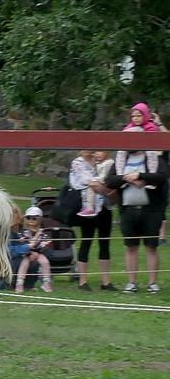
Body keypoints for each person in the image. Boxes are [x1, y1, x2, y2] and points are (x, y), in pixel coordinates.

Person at [103, 105, 164, 294]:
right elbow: (109, 181)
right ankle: (132, 282)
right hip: (128, 209)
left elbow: (162, 176)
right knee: (131, 246)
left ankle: (153, 283)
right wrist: (126, 178)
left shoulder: (152, 155)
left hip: (150, 209)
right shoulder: (121, 157)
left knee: (151, 246)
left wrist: (141, 176)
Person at [69, 149, 116, 291]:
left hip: (105, 208)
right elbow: (87, 181)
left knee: (104, 243)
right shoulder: (77, 163)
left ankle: (106, 282)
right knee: (86, 241)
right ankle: (83, 281)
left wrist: (106, 188)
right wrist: (107, 190)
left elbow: (111, 179)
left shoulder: (103, 161)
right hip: (88, 208)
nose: (91, 151)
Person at [13, 206, 54, 293]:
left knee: (45, 262)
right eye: (28, 218)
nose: (31, 220)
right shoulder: (23, 232)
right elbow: (21, 243)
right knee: (25, 263)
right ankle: (19, 283)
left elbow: (47, 243)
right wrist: (29, 253)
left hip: (39, 253)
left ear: (39, 220)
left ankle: (46, 283)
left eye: (34, 218)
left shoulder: (42, 232)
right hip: (26, 254)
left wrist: (39, 252)